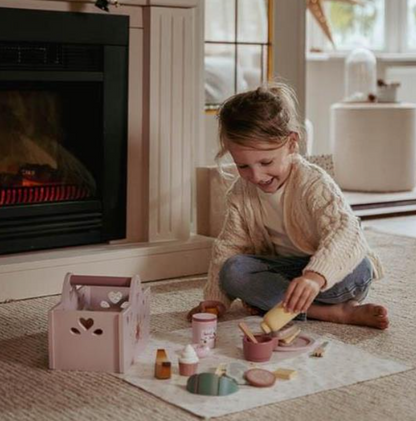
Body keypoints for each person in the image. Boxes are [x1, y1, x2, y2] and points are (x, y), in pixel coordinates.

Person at [188, 82, 389, 330]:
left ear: (292, 143)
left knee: (360, 269)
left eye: (266, 161)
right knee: (233, 270)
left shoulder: (313, 182)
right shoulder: (241, 193)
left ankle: (279, 304)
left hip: (329, 275)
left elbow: (346, 232)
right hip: (284, 274)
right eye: (243, 166)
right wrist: (215, 301)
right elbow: (229, 247)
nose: (257, 175)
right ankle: (332, 314)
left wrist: (314, 278)